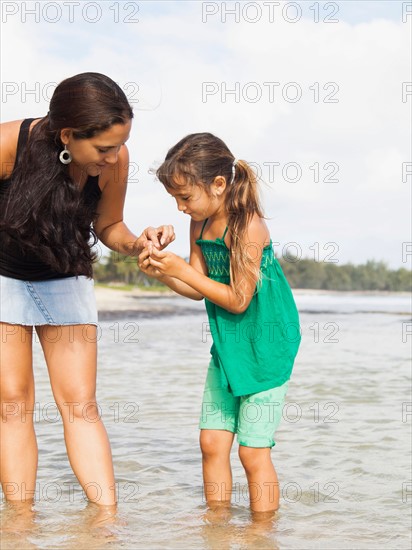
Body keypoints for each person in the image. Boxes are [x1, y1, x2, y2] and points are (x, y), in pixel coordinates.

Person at [0, 72, 174, 510]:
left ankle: (106, 523)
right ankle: (21, 525)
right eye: (103, 148)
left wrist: (138, 244)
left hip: (65, 275)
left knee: (81, 406)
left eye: (120, 144)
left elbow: (109, 225)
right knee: (13, 405)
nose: (114, 156)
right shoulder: (9, 145)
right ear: (67, 134)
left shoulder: (115, 161)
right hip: (2, 277)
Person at [139, 133, 301, 513]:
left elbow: (239, 299)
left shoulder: (249, 227)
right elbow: (199, 289)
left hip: (266, 346)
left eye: (185, 197)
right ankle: (217, 525)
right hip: (229, 345)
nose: (180, 208)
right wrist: (162, 271)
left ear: (218, 184)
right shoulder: (200, 223)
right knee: (211, 442)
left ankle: (262, 534)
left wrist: (180, 269)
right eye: (174, 199)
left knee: (252, 451)